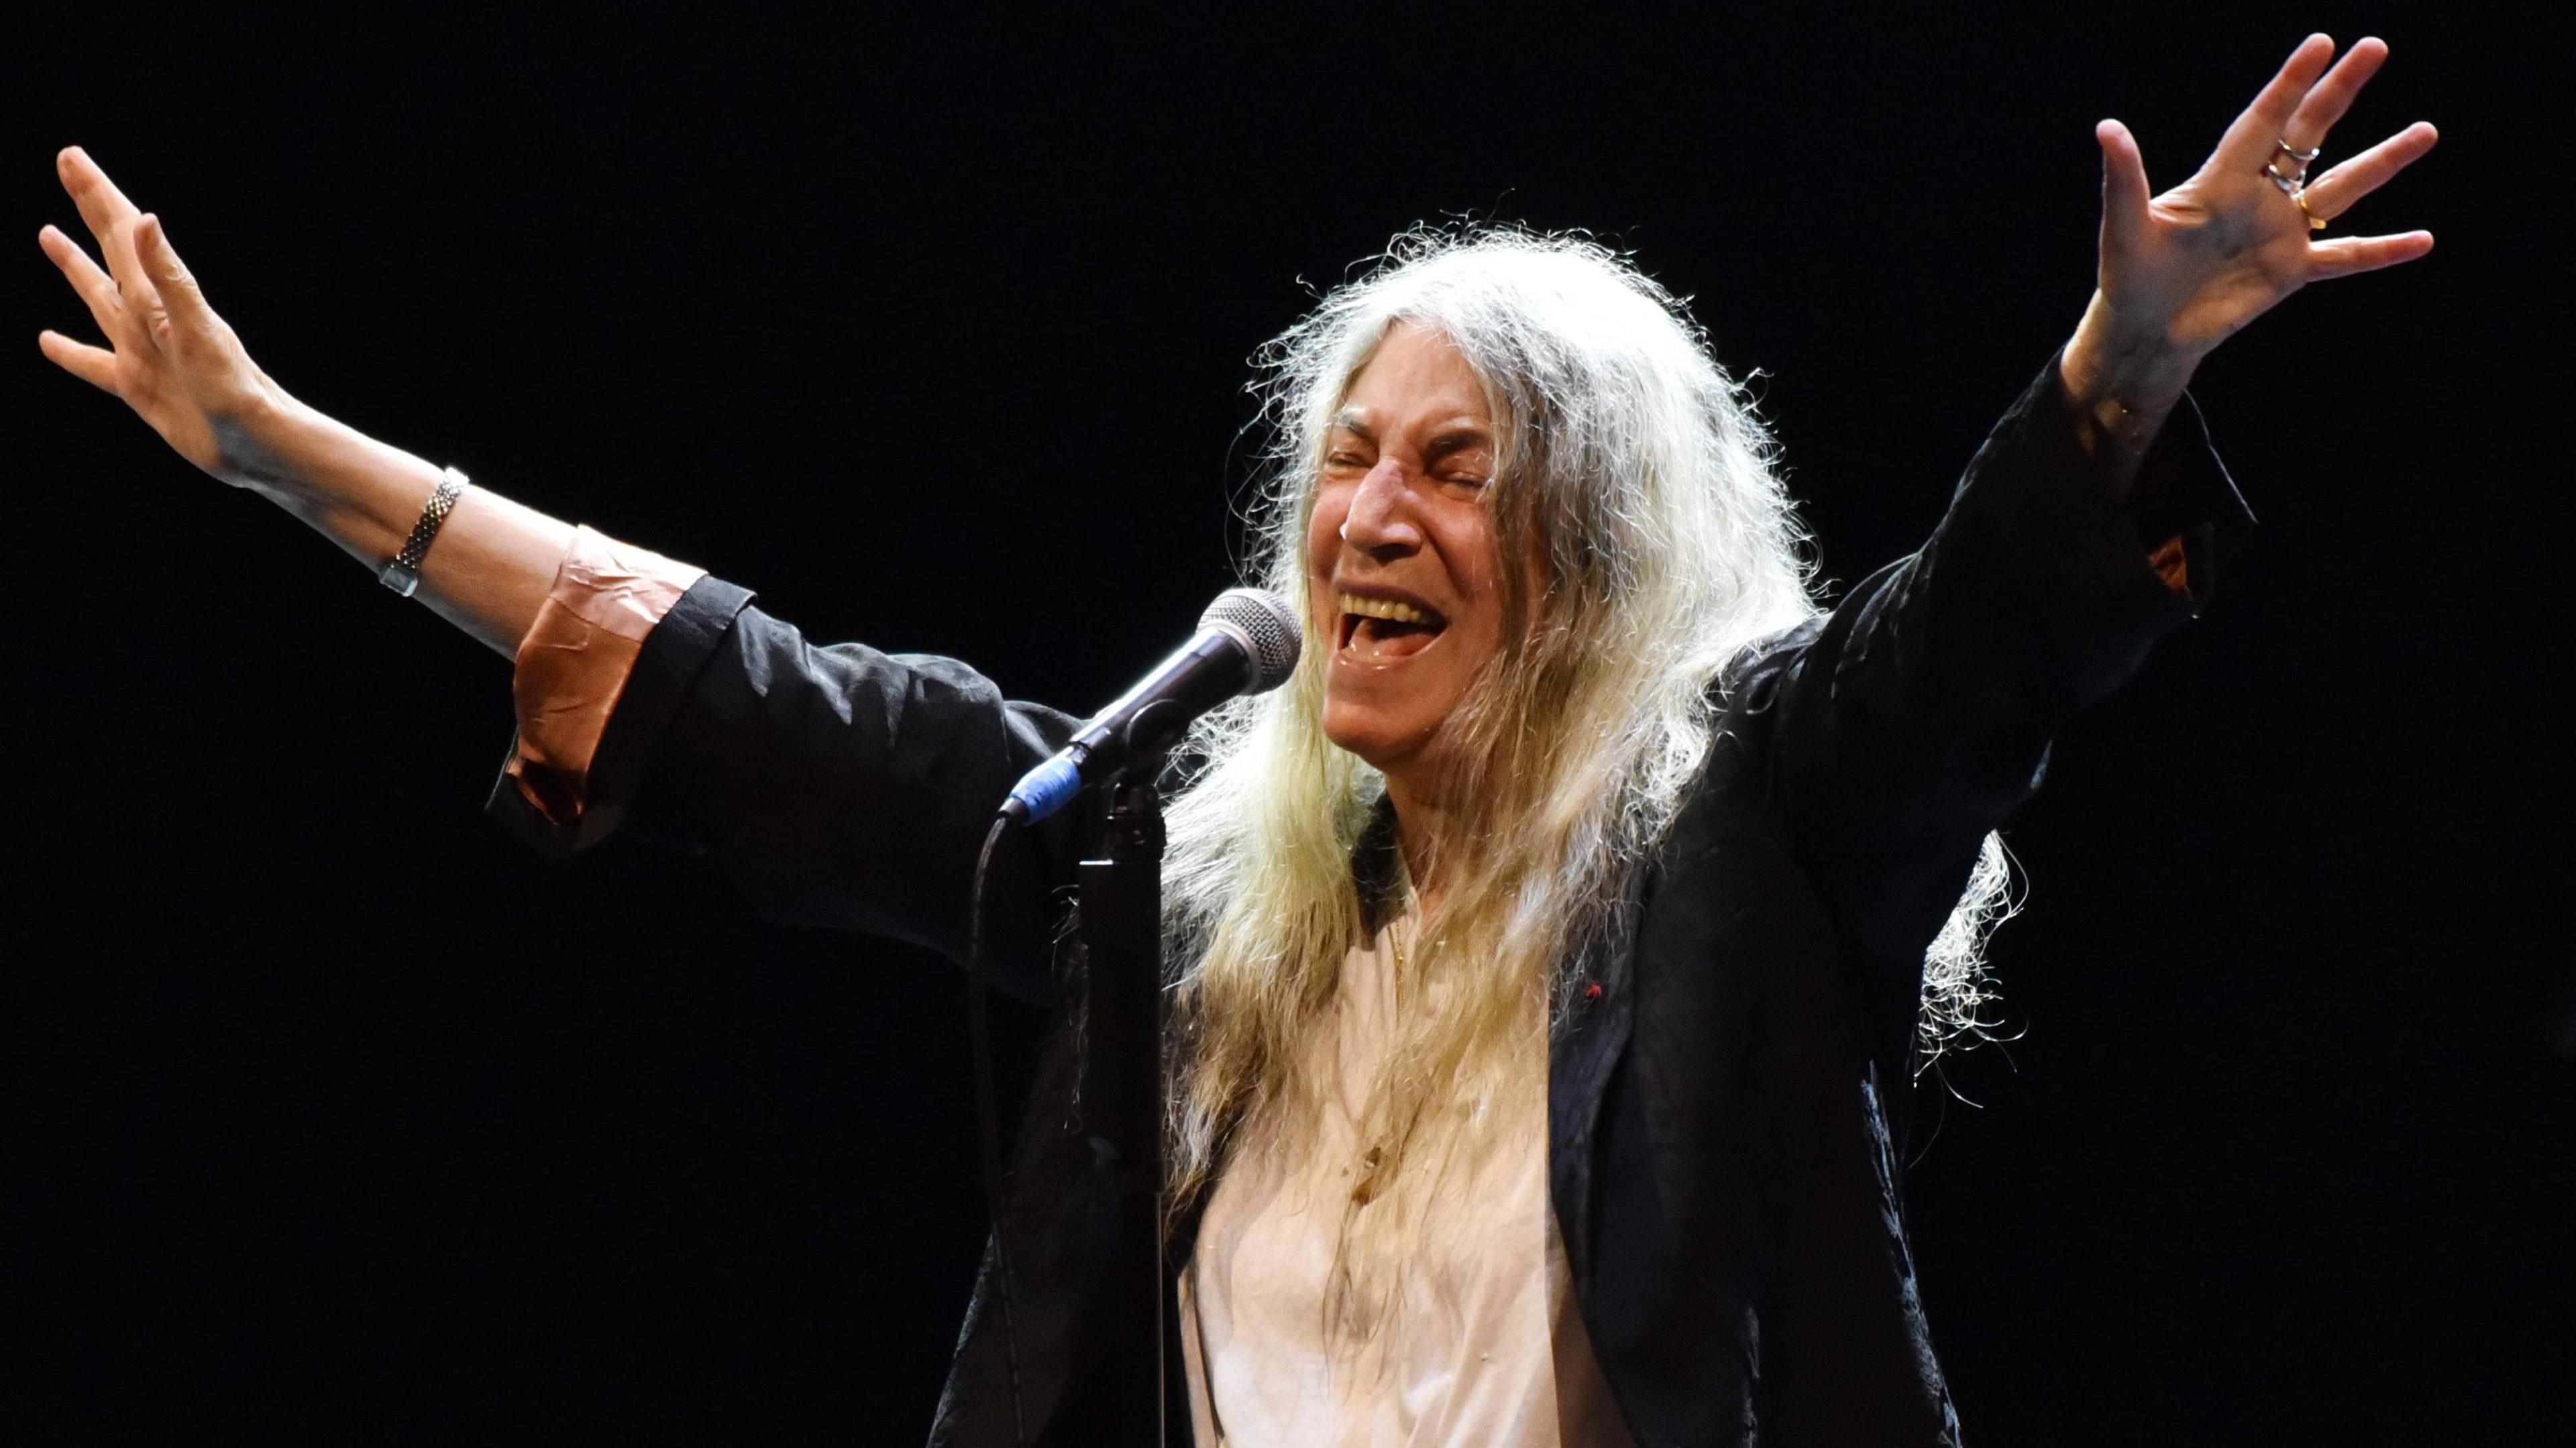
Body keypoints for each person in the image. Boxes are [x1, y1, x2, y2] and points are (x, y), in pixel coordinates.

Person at [36, 34, 2435, 1448]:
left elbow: (1961, 658)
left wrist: (2131, 371)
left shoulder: (1746, 848)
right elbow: (751, 697)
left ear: (1593, 551)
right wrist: (286, 460)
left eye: (1456, 470)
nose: (1363, 521)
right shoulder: (1176, 896)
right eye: (1344, 463)